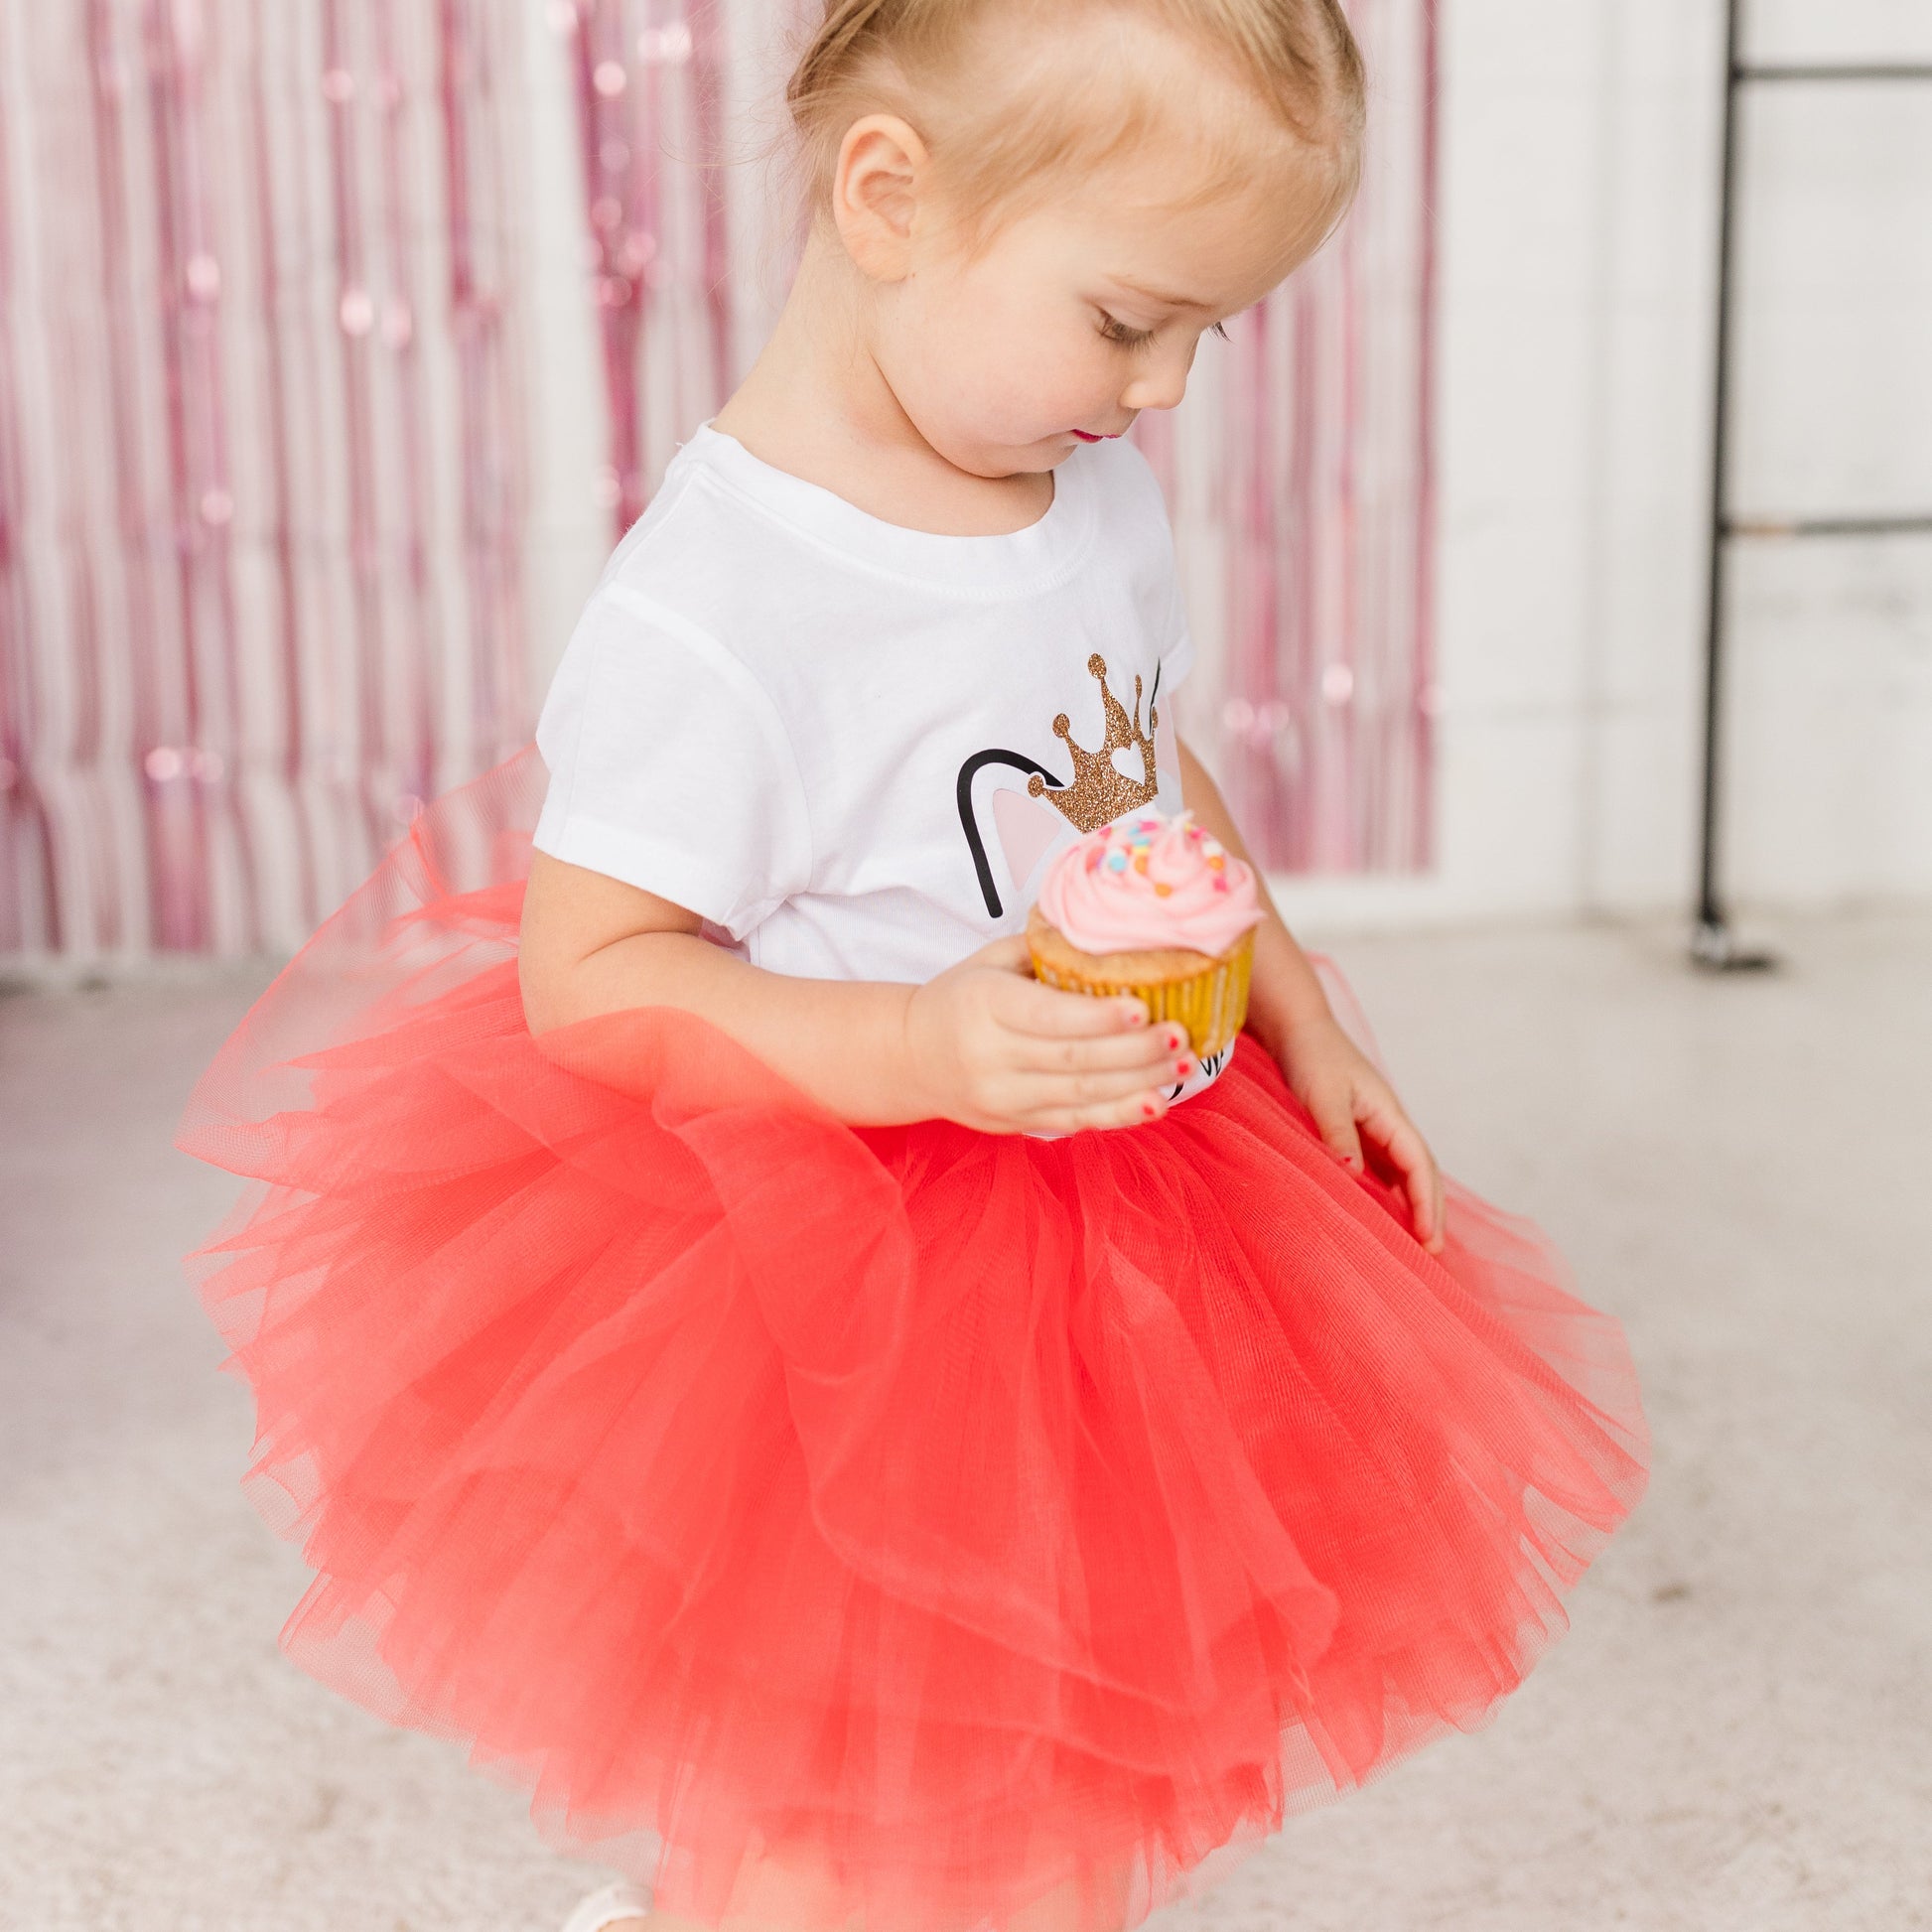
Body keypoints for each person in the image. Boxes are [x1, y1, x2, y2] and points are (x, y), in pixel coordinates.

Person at [178, 3, 1649, 1929]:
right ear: (888, 197)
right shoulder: (723, 607)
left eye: (1208, 333)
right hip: (841, 1247)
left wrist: (1298, 1009)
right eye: (1128, 320)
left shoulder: (1087, 481)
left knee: (1066, 1723)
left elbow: (1138, 765)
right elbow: (591, 980)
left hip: (1129, 1200)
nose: (1166, 387)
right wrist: (916, 1042)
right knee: (841, 1758)